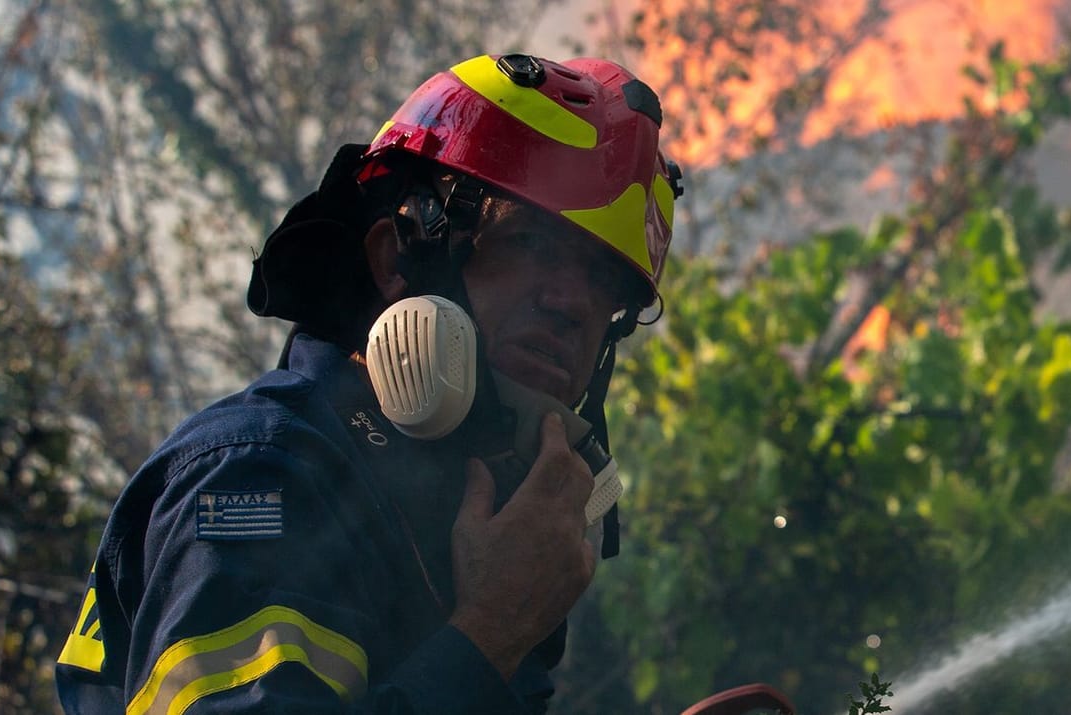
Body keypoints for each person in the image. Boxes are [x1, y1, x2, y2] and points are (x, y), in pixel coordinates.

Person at [53, 52, 682, 714]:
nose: (572, 302)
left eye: (603, 280)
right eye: (532, 244)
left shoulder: (468, 518)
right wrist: (489, 633)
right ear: (395, 258)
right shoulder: (260, 477)